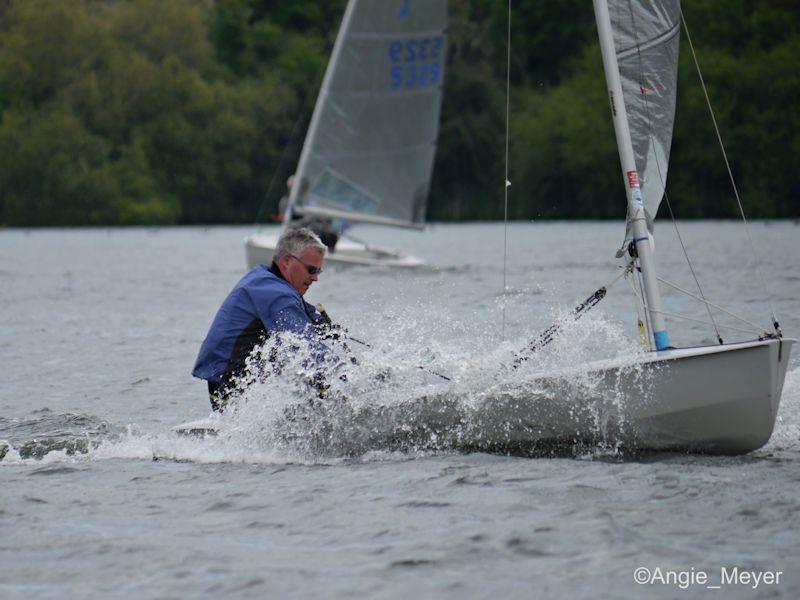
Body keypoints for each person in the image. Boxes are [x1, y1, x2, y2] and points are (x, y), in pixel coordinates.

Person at [192, 227, 330, 411]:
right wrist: (346, 377)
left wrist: (323, 326)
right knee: (312, 367)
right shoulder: (276, 295)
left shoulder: (264, 278)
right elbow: (307, 347)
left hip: (229, 383)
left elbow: (302, 311)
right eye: (311, 270)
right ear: (287, 261)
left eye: (318, 272)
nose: (314, 278)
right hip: (231, 390)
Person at [277, 174, 342, 253]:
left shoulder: (307, 201)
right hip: (294, 233)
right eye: (301, 187)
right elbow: (287, 221)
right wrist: (308, 219)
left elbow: (315, 215)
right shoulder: (286, 201)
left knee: (331, 236)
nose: (303, 189)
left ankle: (330, 255)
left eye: (304, 187)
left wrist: (322, 219)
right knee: (315, 236)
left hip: (309, 230)